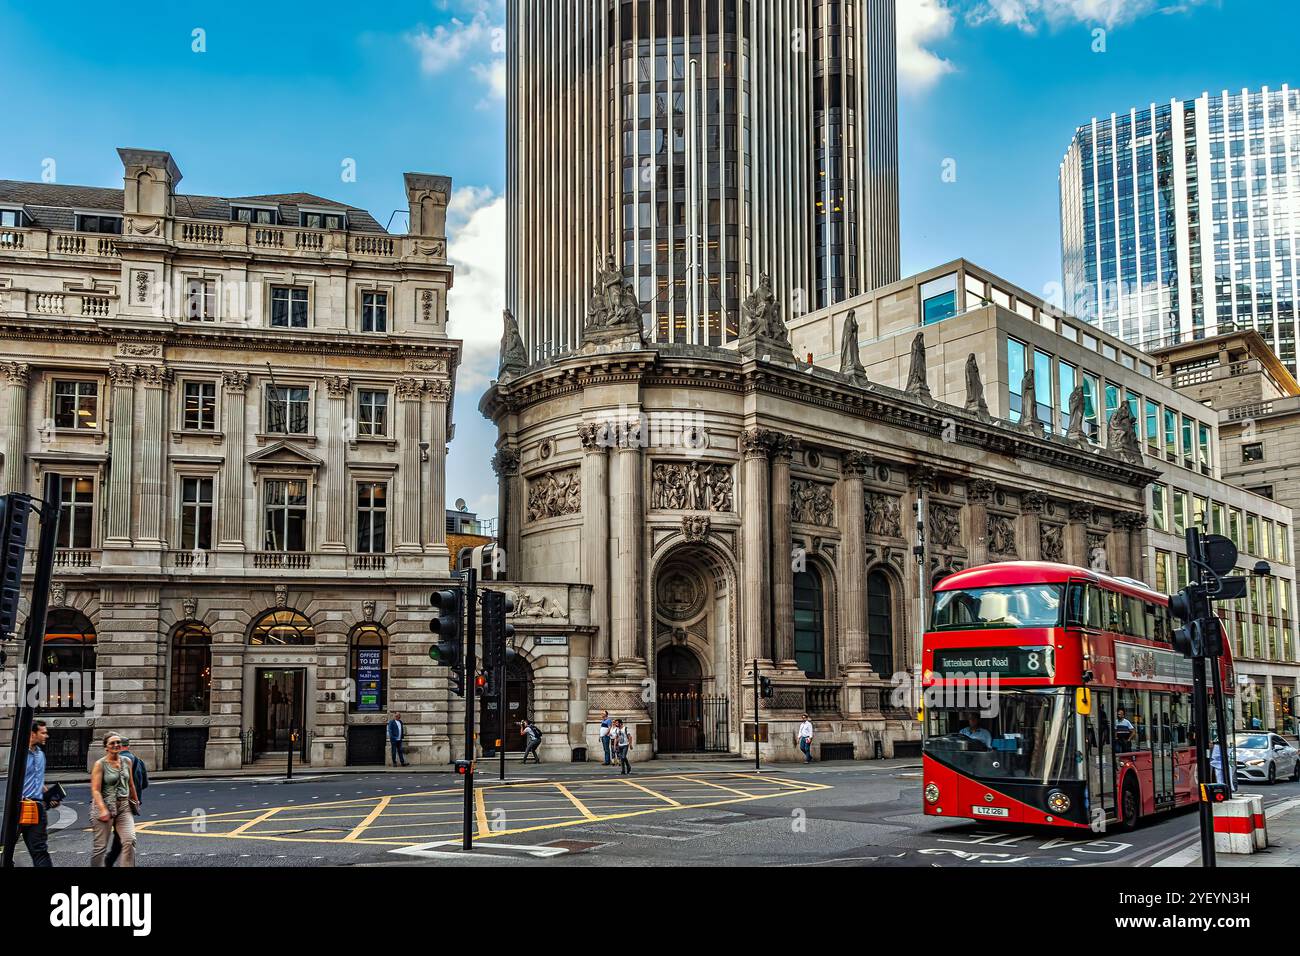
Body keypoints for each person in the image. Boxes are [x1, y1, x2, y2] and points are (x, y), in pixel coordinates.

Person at [90, 732, 140, 867]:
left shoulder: (127, 761)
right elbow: (95, 789)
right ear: (106, 747)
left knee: (129, 840)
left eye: (118, 742)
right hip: (105, 805)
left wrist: (135, 800)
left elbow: (130, 783)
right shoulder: (100, 764)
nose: (116, 745)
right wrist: (102, 809)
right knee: (100, 848)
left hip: (124, 805)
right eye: (112, 743)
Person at [19, 719, 57, 867]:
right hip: (18, 807)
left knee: (40, 850)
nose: (46, 736)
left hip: (37, 808)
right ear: (32, 734)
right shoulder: (18, 753)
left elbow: (37, 781)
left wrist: (49, 795)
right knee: (5, 848)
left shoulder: (40, 754)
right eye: (43, 733)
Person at [106, 737, 149, 867]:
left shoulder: (110, 762)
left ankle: (109, 861)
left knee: (120, 837)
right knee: (126, 837)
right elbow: (144, 784)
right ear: (128, 746)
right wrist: (136, 799)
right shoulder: (138, 761)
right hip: (129, 804)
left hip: (111, 804)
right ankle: (110, 861)